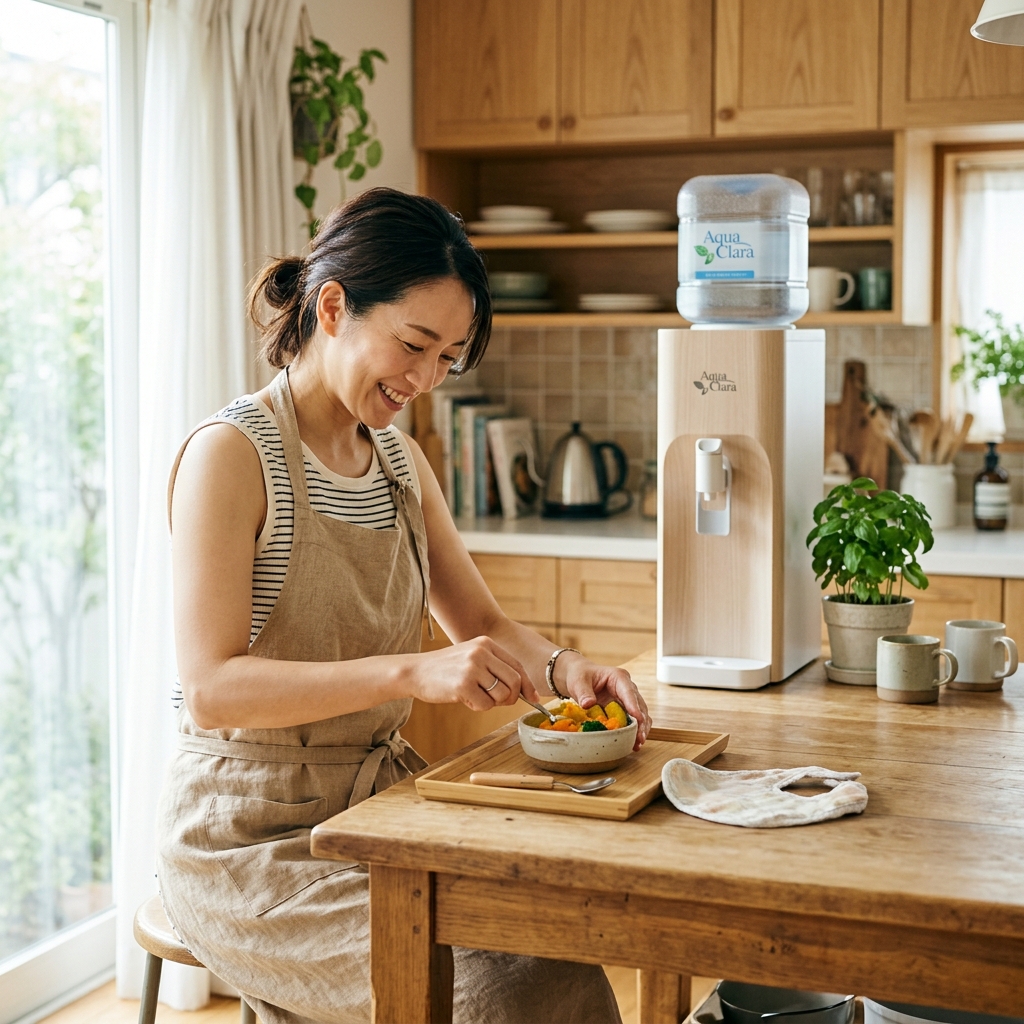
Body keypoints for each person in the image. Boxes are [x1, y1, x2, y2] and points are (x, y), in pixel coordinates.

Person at [157, 187, 651, 1024]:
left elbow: (484, 626)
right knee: (503, 994)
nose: (425, 379)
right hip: (248, 842)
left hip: (378, 814)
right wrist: (413, 672)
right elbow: (211, 688)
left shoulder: (400, 462)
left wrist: (567, 669)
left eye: (449, 358)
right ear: (335, 306)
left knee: (558, 951)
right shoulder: (230, 456)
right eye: (414, 344)